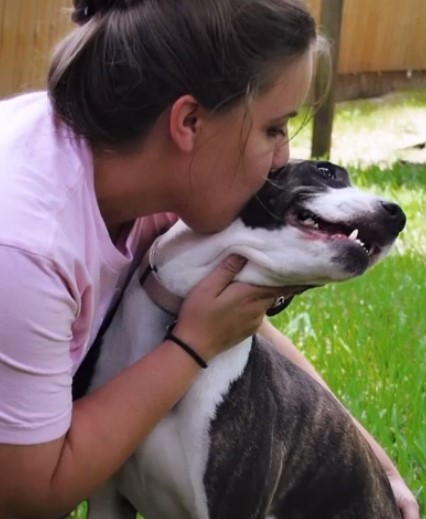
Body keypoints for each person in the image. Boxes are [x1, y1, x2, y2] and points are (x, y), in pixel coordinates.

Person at [0, 1, 419, 518]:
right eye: (274, 128)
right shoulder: (24, 249)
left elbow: (232, 316)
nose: (284, 157)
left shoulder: (131, 168)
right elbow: (26, 496)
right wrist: (190, 347)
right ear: (190, 121)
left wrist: (378, 461)